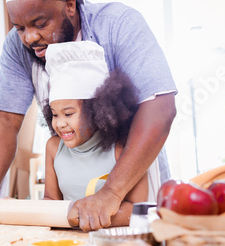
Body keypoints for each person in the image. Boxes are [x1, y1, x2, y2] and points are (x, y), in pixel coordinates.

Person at [0, 0, 177, 231]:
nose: (29, 38)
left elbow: (160, 107)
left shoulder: (118, 24)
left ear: (69, 6)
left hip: (131, 188)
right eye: (19, 27)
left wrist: (110, 193)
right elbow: (7, 120)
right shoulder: (17, 48)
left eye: (40, 23)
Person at [42, 41, 161, 227]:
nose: (59, 123)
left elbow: (137, 210)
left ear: (96, 111)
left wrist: (83, 216)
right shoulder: (53, 148)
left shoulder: (122, 149)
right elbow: (50, 200)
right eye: (54, 114)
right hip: (67, 242)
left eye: (68, 114)